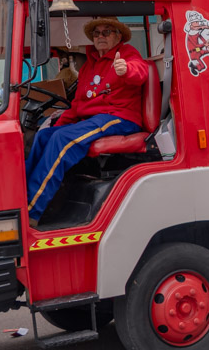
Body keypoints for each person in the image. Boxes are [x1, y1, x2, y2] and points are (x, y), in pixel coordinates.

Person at [26, 18, 149, 223]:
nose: (100, 36)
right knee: (44, 136)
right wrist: (58, 125)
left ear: (118, 36)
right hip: (93, 119)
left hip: (119, 117)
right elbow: (78, 104)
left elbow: (140, 72)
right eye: (96, 33)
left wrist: (126, 69)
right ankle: (21, 199)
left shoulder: (126, 54)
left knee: (62, 139)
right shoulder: (89, 65)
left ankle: (32, 211)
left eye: (106, 32)